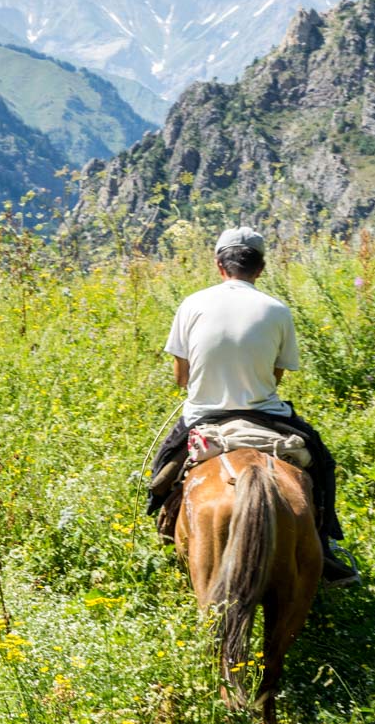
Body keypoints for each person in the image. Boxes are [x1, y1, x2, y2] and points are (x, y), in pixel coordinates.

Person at [154, 226, 361, 587]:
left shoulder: (192, 304)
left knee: (162, 472)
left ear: (219, 265)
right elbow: (276, 376)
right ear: (260, 269)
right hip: (267, 415)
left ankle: (164, 528)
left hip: (203, 414)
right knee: (323, 465)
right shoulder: (277, 310)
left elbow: (181, 379)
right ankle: (325, 546)